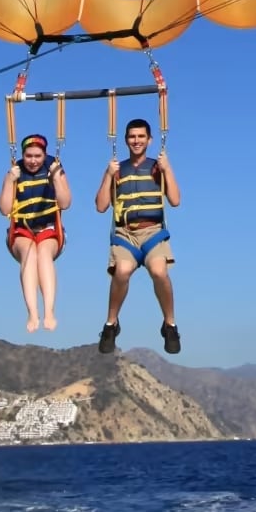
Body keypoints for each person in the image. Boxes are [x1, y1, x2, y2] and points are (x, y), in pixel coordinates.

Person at [94, 118, 182, 354]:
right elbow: (101, 206)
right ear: (125, 140)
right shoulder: (117, 169)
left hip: (152, 231)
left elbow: (174, 200)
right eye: (132, 137)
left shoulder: (157, 168)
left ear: (149, 140)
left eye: (141, 137)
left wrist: (168, 168)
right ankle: (111, 324)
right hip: (126, 233)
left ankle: (170, 324)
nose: (136, 141)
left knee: (159, 271)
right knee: (121, 271)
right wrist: (107, 174)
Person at [0, 134, 70, 333]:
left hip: (49, 229)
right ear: (22, 155)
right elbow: (4, 209)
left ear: (44, 154)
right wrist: (8, 181)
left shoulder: (54, 169)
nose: (33, 160)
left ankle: (49, 311)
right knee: (30, 254)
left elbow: (65, 203)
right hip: (21, 231)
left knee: (43, 253)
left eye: (37, 156)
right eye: (28, 156)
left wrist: (56, 178)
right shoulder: (15, 171)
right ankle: (32, 312)